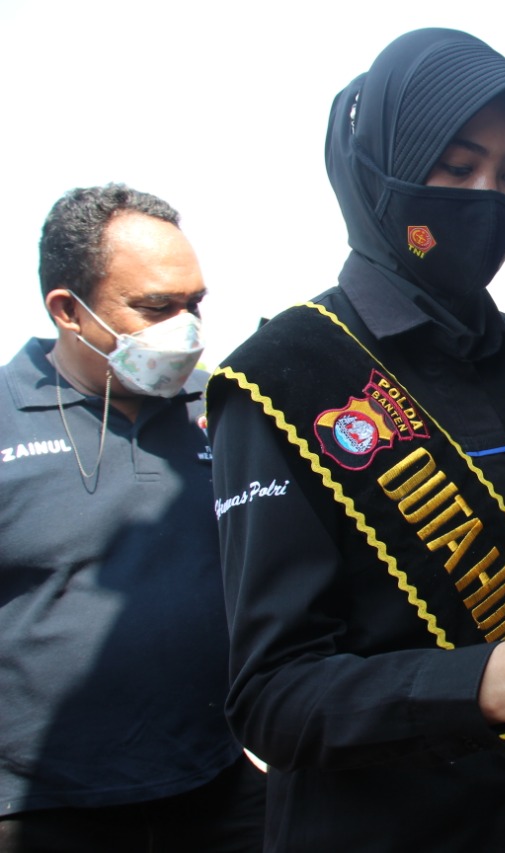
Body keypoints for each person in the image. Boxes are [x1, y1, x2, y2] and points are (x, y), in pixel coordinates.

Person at [205, 29, 505, 852]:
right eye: (456, 167)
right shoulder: (283, 381)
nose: (487, 201)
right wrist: (497, 681)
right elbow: (273, 696)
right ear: (382, 166)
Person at [0, 185, 265, 851]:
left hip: (217, 786)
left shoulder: (224, 412)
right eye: (157, 308)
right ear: (68, 309)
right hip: (43, 808)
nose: (187, 329)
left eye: (194, 304)